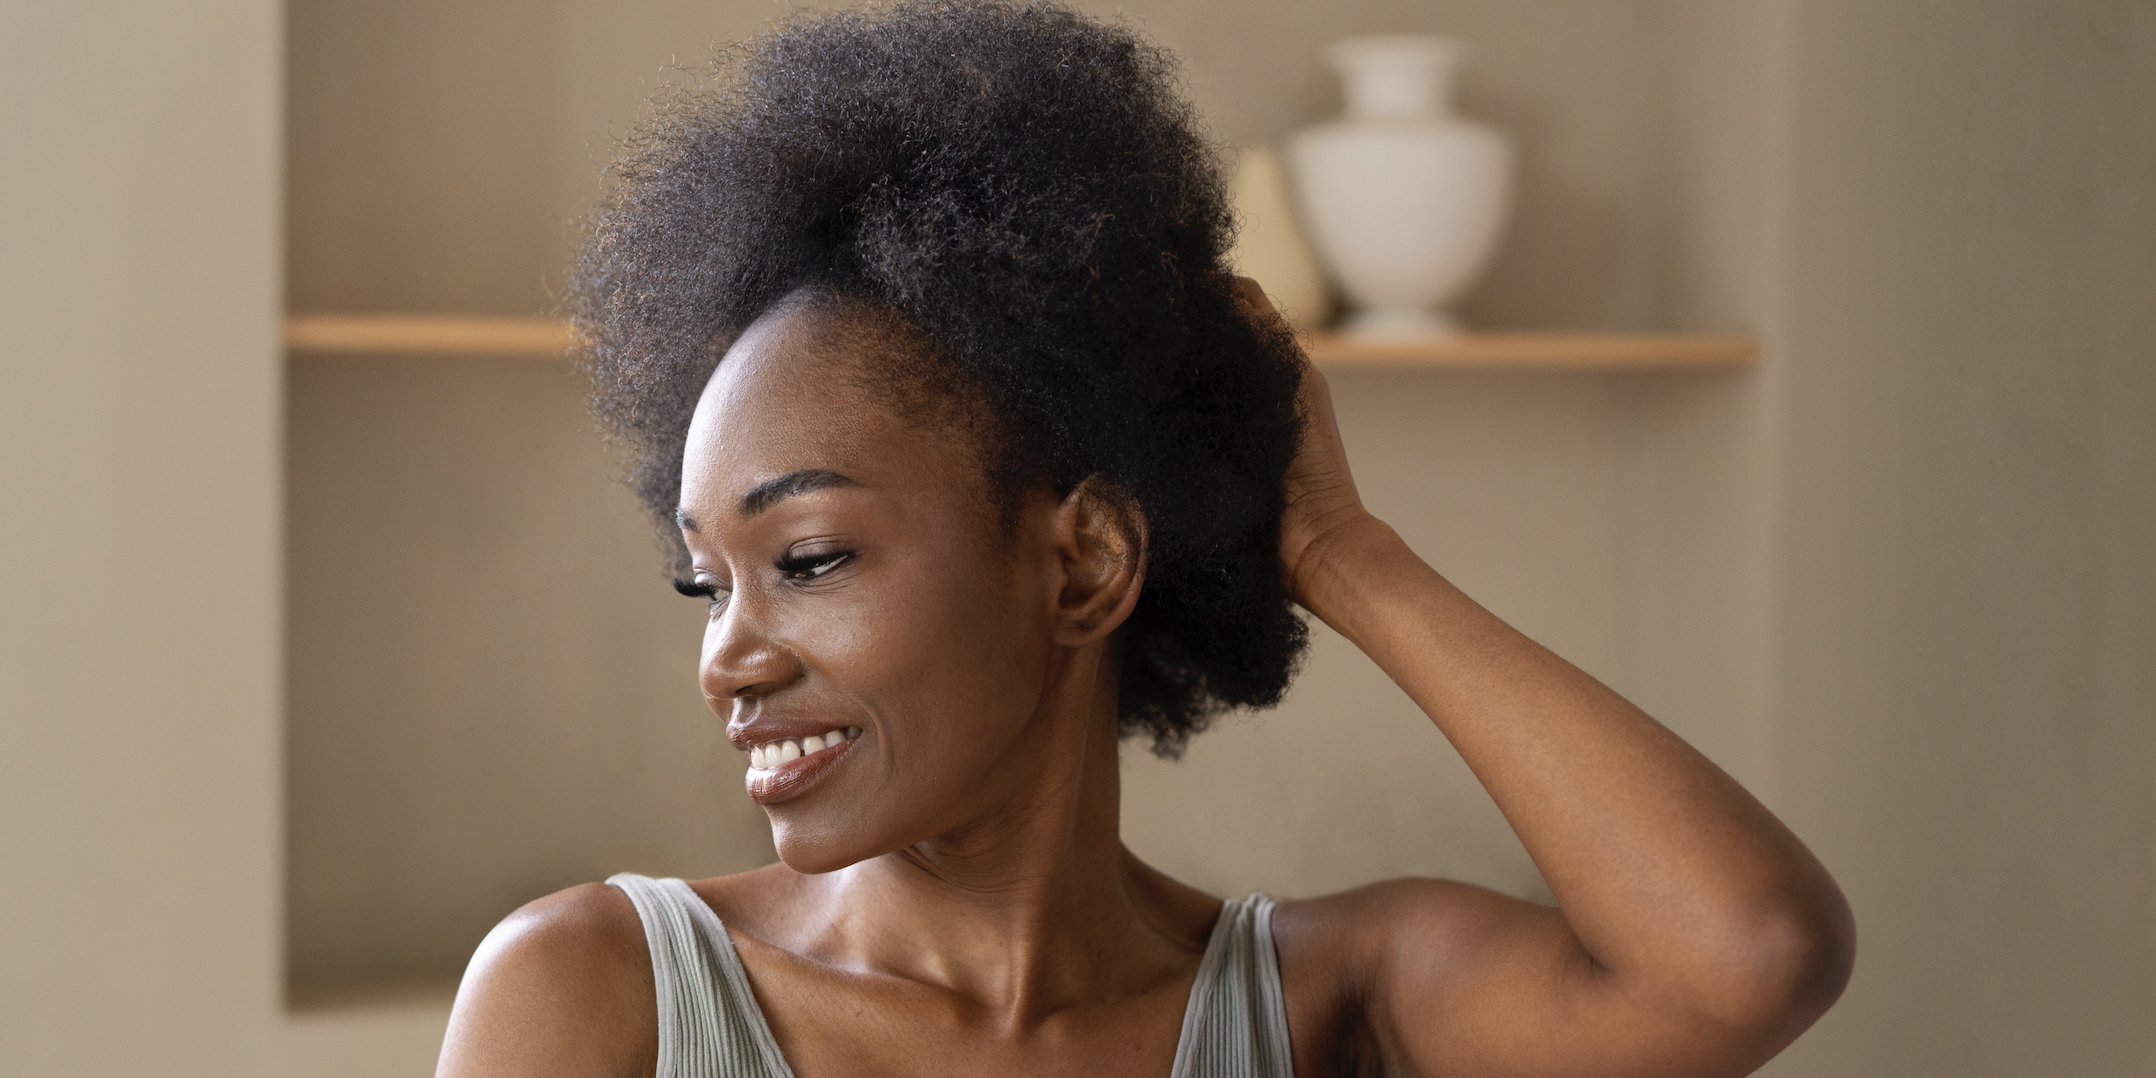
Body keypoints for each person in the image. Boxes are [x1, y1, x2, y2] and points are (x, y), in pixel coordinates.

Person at [437, 2, 1853, 1075]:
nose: (726, 655)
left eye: (807, 558)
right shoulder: (593, 990)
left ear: (1086, 561)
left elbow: (1748, 954)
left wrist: (1338, 546)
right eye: (706, 577)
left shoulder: (1324, 1000)